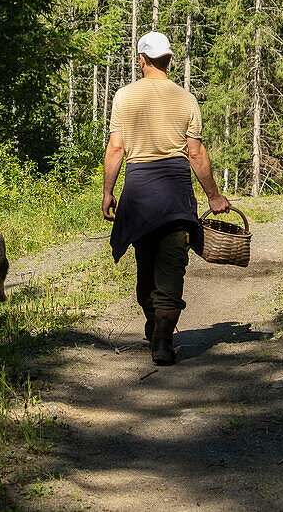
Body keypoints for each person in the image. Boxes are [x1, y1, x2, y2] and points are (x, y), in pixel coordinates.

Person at [102, 31, 231, 366]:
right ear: (169, 59)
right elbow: (196, 153)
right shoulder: (186, 99)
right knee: (172, 267)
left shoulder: (124, 97)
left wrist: (108, 192)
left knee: (145, 265)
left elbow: (116, 149)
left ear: (141, 59)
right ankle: (163, 335)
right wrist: (214, 197)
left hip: (139, 192)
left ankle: (155, 325)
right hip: (176, 194)